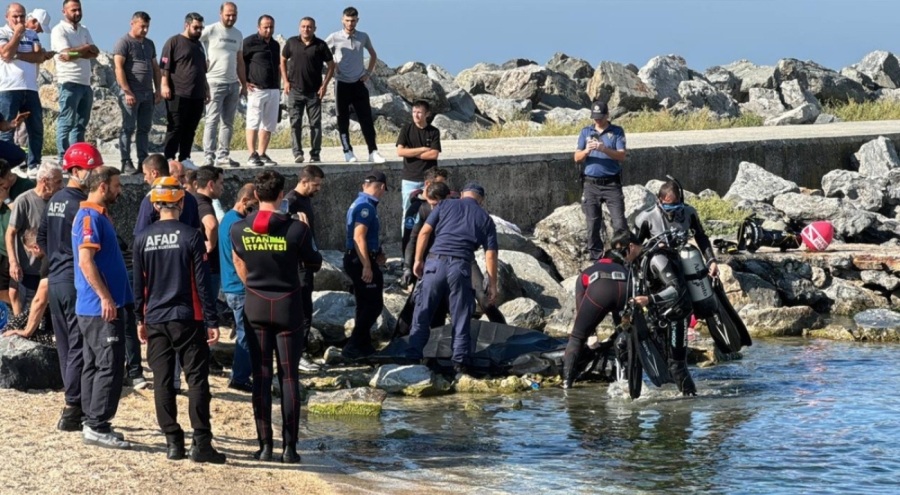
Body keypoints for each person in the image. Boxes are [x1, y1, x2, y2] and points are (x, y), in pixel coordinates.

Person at [230, 170, 321, 464]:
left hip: (255, 304)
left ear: (256, 195)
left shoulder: (238, 229)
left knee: (261, 377)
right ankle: (290, 448)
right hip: (287, 306)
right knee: (289, 377)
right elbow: (314, 262)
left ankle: (264, 446)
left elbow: (240, 260)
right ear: (281, 195)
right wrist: (304, 232)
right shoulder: (297, 229)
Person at [134, 176, 226, 463]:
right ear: (182, 201)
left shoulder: (142, 238)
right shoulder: (190, 235)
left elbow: (139, 284)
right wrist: (212, 320)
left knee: (162, 381)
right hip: (188, 316)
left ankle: (173, 442)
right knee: (197, 379)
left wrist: (140, 318)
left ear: (154, 203)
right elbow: (202, 283)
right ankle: (201, 443)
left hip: (156, 317)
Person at [37, 142, 101, 432]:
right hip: (75, 280)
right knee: (78, 345)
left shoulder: (55, 199)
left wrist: (56, 256)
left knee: (65, 344)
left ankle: (72, 401)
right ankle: (73, 407)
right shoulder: (80, 205)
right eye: (91, 170)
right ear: (76, 170)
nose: (95, 175)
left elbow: (40, 238)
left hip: (56, 279)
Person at [406, 182, 499, 374]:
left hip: (435, 264)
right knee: (461, 315)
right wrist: (492, 284)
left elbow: (424, 232)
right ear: (480, 199)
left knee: (423, 311)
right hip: (461, 267)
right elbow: (490, 255)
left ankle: (413, 357)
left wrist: (417, 260)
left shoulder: (444, 205)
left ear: (463, 193)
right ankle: (460, 362)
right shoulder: (485, 218)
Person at [71, 166, 133, 449]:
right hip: (99, 309)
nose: (120, 190)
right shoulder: (89, 217)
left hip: (97, 307)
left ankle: (92, 420)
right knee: (108, 364)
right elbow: (86, 261)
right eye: (117, 185)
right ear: (103, 187)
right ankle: (96, 425)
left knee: (96, 364)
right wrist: (106, 297)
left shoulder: (97, 216)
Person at [561, 230, 636, 389]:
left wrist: (591, 336)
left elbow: (581, 307)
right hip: (626, 287)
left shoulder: (587, 272)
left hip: (600, 290)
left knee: (576, 338)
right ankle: (628, 379)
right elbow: (621, 317)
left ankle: (567, 383)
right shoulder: (626, 270)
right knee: (623, 333)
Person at [325, 6, 385, 164]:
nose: (350, 23)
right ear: (342, 20)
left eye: (353, 20)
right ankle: (347, 151)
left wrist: (368, 74)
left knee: (366, 118)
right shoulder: (334, 37)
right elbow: (322, 52)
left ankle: (373, 151)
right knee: (342, 119)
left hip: (359, 83)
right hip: (342, 83)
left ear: (357, 20)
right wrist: (333, 66)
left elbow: (373, 55)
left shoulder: (363, 36)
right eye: (347, 20)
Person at [0, 3, 52, 173]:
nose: (19, 19)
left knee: (35, 127)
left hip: (30, 87)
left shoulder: (31, 34)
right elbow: (6, 54)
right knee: (6, 127)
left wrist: (18, 55)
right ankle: (5, 167)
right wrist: (16, 35)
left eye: (22, 16)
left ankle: (34, 163)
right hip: (8, 87)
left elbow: (39, 56)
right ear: (7, 17)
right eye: (15, 16)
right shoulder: (2, 32)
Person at [573, 100, 627, 260]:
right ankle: (596, 258)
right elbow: (576, 158)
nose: (597, 120)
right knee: (593, 225)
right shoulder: (586, 132)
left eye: (600, 117)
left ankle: (621, 255)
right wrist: (587, 151)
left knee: (619, 223)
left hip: (612, 184)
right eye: (595, 117)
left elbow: (622, 155)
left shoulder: (616, 131)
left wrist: (604, 148)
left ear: (607, 115)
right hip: (591, 184)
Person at [341, 170, 387, 360]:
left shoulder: (360, 203)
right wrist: (367, 265)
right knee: (374, 305)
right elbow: (359, 237)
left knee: (364, 303)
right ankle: (353, 344)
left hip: (361, 257)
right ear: (382, 188)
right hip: (360, 259)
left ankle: (364, 344)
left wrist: (378, 252)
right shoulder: (365, 207)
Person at [6, 162, 61, 315]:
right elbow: (10, 233)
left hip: (54, 268)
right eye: (57, 181)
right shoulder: (24, 201)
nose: (61, 185)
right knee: (30, 314)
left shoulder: (60, 200)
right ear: (44, 181)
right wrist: (13, 262)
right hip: (31, 270)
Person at [283, 165, 324, 372]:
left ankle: (301, 351)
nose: (318, 189)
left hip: (306, 264)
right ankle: (297, 355)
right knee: (302, 312)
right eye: (315, 185)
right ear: (304, 181)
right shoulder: (291, 202)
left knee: (306, 309)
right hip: (297, 266)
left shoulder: (305, 200)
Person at [113, 11, 161, 175]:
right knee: (128, 127)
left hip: (148, 93)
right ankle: (126, 162)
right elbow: (118, 67)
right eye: (142, 26)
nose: (145, 30)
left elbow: (155, 67)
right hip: (131, 93)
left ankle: (143, 161)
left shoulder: (149, 44)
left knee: (144, 128)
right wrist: (126, 91)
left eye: (147, 27)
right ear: (132, 23)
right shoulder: (123, 42)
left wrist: (158, 89)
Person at [51, 0, 99, 163]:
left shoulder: (84, 30)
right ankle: (62, 157)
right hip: (68, 81)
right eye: (73, 10)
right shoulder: (59, 30)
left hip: (85, 83)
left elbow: (95, 52)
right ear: (64, 11)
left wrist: (77, 52)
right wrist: (85, 48)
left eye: (79, 10)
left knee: (80, 124)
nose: (77, 13)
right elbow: (65, 54)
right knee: (66, 121)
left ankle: (77, 156)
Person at [281, 16, 334, 164]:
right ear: (299, 28)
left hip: (314, 92)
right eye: (303, 26)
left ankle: (315, 154)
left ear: (314, 29)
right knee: (295, 123)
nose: (306, 29)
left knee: (315, 124)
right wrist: (285, 81)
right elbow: (283, 60)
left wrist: (324, 85)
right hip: (294, 90)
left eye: (309, 27)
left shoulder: (321, 45)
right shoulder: (291, 42)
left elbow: (331, 65)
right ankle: (297, 153)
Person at [219, 182, 256, 392]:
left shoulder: (227, 220)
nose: (255, 209)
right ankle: (240, 378)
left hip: (231, 286)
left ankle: (241, 374)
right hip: (240, 287)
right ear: (244, 200)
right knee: (246, 334)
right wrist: (251, 286)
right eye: (253, 204)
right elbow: (238, 260)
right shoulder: (237, 224)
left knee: (245, 332)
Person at [160, 12, 209, 168]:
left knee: (191, 128)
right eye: (196, 27)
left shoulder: (199, 45)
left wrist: (206, 89)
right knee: (176, 126)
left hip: (197, 94)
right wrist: (164, 84)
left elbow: (202, 69)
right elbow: (165, 66)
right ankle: (169, 158)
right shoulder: (174, 42)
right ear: (186, 25)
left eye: (201, 28)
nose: (199, 31)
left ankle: (185, 157)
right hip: (178, 93)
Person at [200, 1, 245, 168]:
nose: (231, 18)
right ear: (221, 14)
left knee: (228, 121)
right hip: (214, 82)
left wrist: (244, 84)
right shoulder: (211, 30)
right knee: (212, 120)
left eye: (234, 15)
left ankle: (223, 155)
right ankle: (208, 156)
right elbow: (194, 39)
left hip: (233, 83)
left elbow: (240, 60)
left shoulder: (238, 34)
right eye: (228, 15)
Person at [243, 15, 280, 167]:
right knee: (253, 121)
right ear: (259, 27)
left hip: (273, 89)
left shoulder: (275, 45)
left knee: (269, 124)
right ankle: (252, 154)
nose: (268, 29)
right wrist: (243, 82)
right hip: (256, 89)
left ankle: (262, 153)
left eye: (271, 26)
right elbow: (240, 61)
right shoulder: (249, 42)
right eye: (265, 27)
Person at [396, 99, 441, 224]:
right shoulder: (406, 129)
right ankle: (406, 240)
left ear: (427, 114)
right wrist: (421, 150)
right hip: (410, 178)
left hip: (429, 178)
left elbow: (434, 154)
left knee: (432, 210)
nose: (416, 115)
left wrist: (410, 152)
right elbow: (400, 152)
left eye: (419, 112)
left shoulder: (434, 132)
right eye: (414, 112)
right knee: (408, 211)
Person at [133, 154, 200, 235]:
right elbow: (197, 231)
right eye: (181, 176)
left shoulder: (151, 199)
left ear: (154, 173)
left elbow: (140, 235)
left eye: (145, 174)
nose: (144, 179)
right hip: (186, 245)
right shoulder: (189, 198)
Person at [0, 155, 33, 307]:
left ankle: (20, 320)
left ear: (9, 175)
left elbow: (28, 216)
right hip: (2, 247)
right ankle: (12, 317)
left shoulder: (26, 186)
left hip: (17, 248)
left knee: (15, 290)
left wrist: (7, 199)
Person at [193, 165, 224, 312]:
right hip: (209, 268)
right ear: (211, 184)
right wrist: (211, 244)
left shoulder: (190, 201)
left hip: (198, 266)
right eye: (221, 183)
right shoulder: (203, 203)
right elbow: (211, 225)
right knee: (208, 312)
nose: (222, 188)